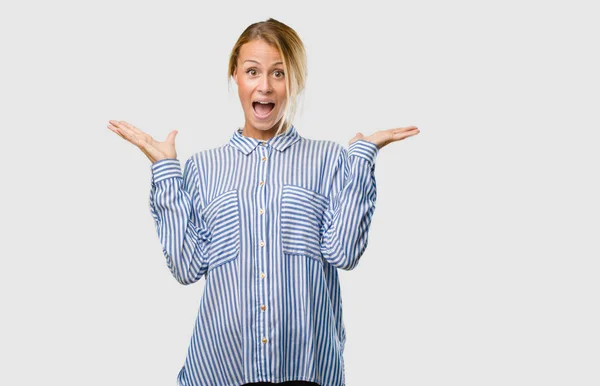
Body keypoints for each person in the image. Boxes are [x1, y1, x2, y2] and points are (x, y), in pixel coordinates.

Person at [107, 17, 419, 386]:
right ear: (235, 76)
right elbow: (186, 266)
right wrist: (165, 171)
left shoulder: (329, 159)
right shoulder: (203, 168)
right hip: (220, 371)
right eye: (252, 71)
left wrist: (362, 159)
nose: (265, 87)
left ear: (295, 82)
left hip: (307, 369)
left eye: (279, 73)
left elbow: (344, 253)